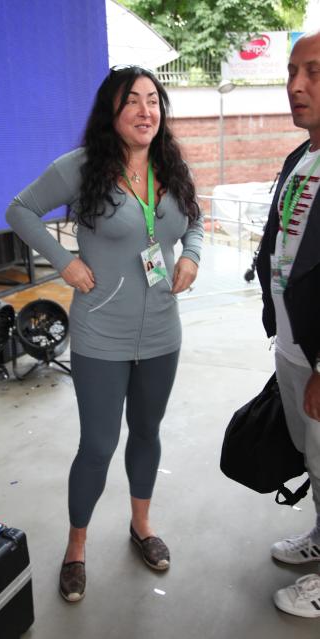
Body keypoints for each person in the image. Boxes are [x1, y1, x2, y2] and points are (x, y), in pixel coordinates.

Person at [6, 65, 204, 603]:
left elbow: (194, 219)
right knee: (97, 446)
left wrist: (191, 255)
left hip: (162, 331)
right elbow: (20, 210)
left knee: (147, 432)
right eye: (132, 101)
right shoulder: (80, 168)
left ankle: (141, 525)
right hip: (101, 334)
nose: (146, 110)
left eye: (153, 100)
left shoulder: (171, 165)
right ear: (111, 112)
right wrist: (64, 261)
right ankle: (76, 547)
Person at [257, 30, 320, 618]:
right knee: (314, 457)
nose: (296, 86)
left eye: (315, 73)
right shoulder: (299, 157)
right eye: (291, 72)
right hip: (294, 341)